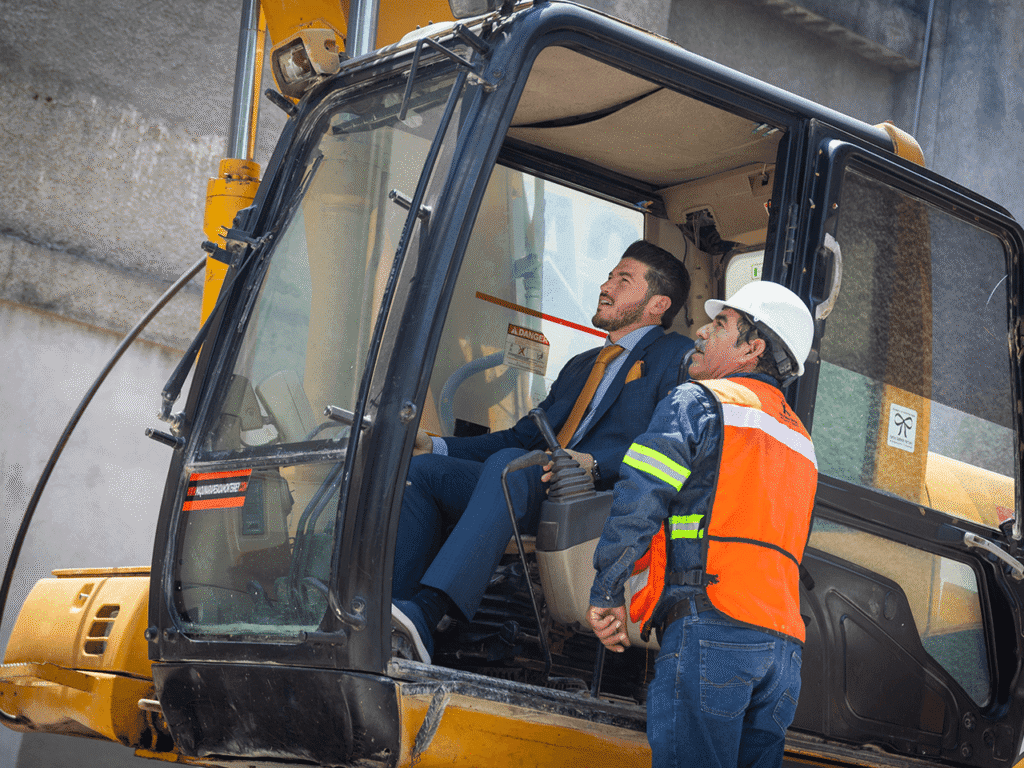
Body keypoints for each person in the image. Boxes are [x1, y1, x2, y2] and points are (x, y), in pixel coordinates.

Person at [392, 240, 694, 664]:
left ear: (657, 303)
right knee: (425, 472)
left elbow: (670, 442)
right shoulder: (581, 365)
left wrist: (594, 464)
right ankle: (397, 616)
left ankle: (428, 612)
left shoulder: (676, 358)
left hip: (596, 498)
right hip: (537, 482)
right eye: (609, 276)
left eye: (623, 280)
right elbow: (522, 438)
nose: (605, 286)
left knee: (507, 469)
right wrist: (439, 445)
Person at [587, 280, 818, 768]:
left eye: (720, 324)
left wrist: (607, 587)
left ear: (752, 348)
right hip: (782, 655)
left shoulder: (699, 402)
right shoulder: (802, 443)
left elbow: (640, 496)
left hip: (713, 630)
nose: (701, 331)